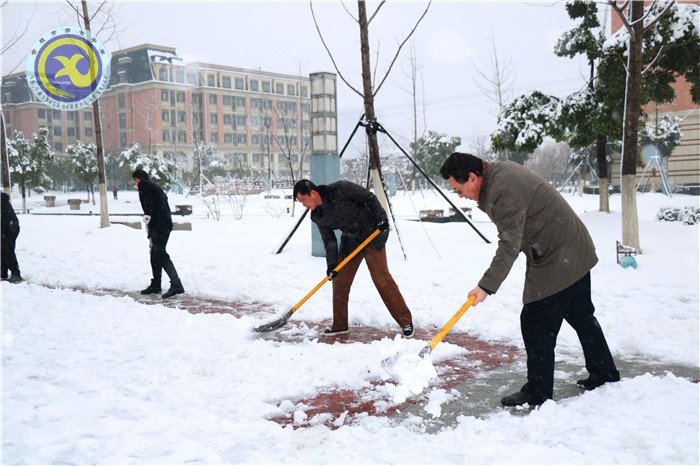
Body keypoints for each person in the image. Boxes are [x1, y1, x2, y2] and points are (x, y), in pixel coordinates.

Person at [439, 152, 619, 407]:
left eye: (459, 190)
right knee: (580, 315)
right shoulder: (497, 175)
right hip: (572, 247)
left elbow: (509, 245)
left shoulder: (503, 189)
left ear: (472, 176)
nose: (461, 196)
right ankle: (605, 373)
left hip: (558, 254)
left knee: (535, 321)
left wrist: (485, 286)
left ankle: (538, 391)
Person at [293, 179, 414, 337]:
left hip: (372, 233)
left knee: (381, 278)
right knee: (339, 281)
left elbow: (368, 198)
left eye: (303, 200)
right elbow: (329, 241)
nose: (304, 205)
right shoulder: (317, 216)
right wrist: (331, 265)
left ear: (313, 193)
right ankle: (340, 325)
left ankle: (405, 321)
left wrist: (381, 218)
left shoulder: (340, 189)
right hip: (351, 240)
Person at [132, 169, 184, 299]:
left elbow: (148, 203)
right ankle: (156, 284)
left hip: (159, 225)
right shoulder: (153, 186)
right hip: (162, 224)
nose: (135, 184)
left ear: (137, 179)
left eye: (135, 181)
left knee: (159, 253)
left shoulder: (144, 185)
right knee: (155, 253)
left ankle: (176, 284)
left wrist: (147, 218)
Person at [1, 193, 23, 283]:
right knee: (3, 250)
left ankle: (16, 273)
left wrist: (3, 231)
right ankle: (3, 273)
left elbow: (4, 219)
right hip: (8, 228)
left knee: (7, 250)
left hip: (10, 229)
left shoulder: (2, 202)